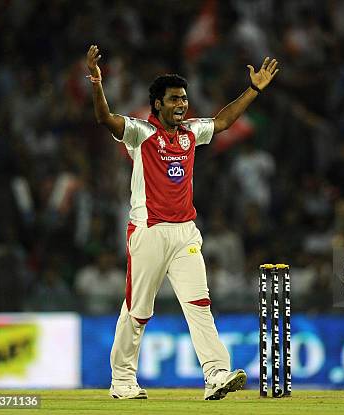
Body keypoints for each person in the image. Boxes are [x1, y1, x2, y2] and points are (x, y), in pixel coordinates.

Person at [85, 45, 279, 400]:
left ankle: (215, 374)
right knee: (138, 311)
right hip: (148, 230)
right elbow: (106, 119)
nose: (182, 104)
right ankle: (122, 380)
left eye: (184, 99)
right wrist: (97, 83)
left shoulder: (191, 133)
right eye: (174, 99)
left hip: (185, 232)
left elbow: (222, 122)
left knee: (199, 304)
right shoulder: (141, 133)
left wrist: (253, 90)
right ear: (157, 104)